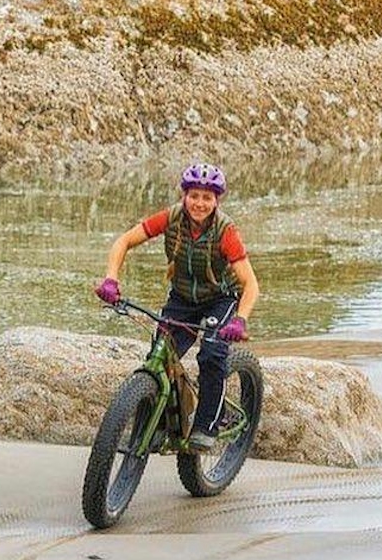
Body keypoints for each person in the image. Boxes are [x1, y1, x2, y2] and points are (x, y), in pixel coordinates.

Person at [94, 163, 260, 451]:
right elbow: (124, 241)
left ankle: (208, 423)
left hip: (220, 299)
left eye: (207, 198)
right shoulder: (170, 218)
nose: (199, 203)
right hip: (182, 298)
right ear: (185, 196)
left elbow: (251, 284)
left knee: (211, 354)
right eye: (194, 196)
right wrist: (111, 278)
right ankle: (158, 424)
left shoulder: (225, 231)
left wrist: (240, 320)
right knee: (161, 354)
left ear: (216, 200)